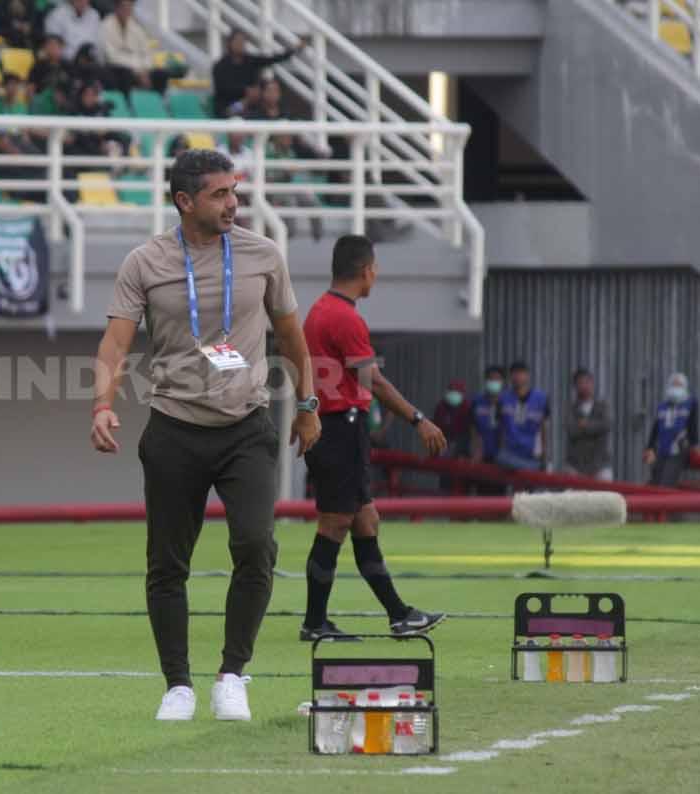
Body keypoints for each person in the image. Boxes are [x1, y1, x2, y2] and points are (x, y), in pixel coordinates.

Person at [90, 148, 320, 723]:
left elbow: (293, 337)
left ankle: (232, 675)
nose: (232, 204)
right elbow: (115, 344)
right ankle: (178, 686)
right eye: (219, 194)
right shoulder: (145, 262)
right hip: (174, 429)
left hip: (247, 428)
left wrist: (309, 404)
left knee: (254, 544)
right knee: (167, 563)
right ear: (184, 201)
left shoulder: (264, 254)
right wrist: (101, 404)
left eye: (235, 191)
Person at [299, 234, 448, 641]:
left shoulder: (318, 312)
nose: (376, 276)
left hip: (336, 427)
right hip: (340, 429)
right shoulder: (344, 318)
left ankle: (400, 616)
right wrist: (419, 419)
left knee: (366, 520)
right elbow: (374, 381)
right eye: (375, 269)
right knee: (335, 524)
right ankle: (314, 623)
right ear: (366, 271)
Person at [211, 29, 306, 117]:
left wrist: (294, 50)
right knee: (236, 109)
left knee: (269, 97)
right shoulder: (220, 66)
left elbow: (273, 59)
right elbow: (221, 89)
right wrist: (245, 91)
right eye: (237, 41)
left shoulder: (250, 61)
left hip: (252, 104)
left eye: (242, 41)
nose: (240, 44)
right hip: (229, 107)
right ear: (229, 43)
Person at [644, 372, 699, 486]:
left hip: (678, 449)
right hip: (662, 448)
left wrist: (694, 444)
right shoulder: (663, 406)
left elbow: (693, 426)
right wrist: (650, 447)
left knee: (666, 482)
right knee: (655, 480)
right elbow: (656, 428)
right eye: (674, 385)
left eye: (679, 385)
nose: (676, 388)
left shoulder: (690, 403)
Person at [496, 360, 549, 472]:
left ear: (527, 375)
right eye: (514, 373)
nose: (517, 377)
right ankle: (530, 467)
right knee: (501, 458)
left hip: (531, 454)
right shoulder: (503, 398)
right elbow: (500, 428)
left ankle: (531, 467)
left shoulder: (541, 398)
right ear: (510, 377)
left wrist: (544, 454)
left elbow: (544, 429)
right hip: (510, 454)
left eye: (521, 373)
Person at [564, 367, 613, 481]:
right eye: (580, 383)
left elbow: (606, 425)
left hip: (600, 465)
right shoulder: (571, 408)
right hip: (576, 465)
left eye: (587, 382)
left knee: (605, 497)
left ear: (592, 383)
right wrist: (594, 426)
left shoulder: (602, 406)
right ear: (575, 386)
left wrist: (585, 425)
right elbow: (571, 430)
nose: (584, 386)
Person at [469, 365, 506, 494]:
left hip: (501, 456)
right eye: (491, 379)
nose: (494, 382)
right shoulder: (477, 401)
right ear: (486, 381)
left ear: (502, 382)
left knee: (498, 492)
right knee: (482, 490)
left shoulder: (507, 402)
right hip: (481, 455)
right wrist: (475, 450)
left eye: (497, 379)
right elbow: (473, 427)